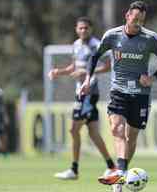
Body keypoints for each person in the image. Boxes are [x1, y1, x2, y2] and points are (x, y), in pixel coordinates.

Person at [79, 1, 157, 191]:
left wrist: (152, 78)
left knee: (131, 138)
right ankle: (120, 175)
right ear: (127, 16)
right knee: (116, 128)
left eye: (142, 20)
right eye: (135, 19)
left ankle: (121, 172)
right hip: (118, 91)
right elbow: (95, 57)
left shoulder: (150, 38)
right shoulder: (112, 36)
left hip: (140, 95)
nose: (138, 23)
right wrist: (87, 79)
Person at [48, 17, 116, 180]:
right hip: (80, 91)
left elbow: (108, 66)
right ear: (76, 29)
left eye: (86, 28)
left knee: (73, 129)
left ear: (91, 29)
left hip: (89, 92)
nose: (83, 30)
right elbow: (74, 67)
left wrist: (87, 73)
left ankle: (74, 169)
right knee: (93, 133)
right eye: (80, 28)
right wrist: (59, 71)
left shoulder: (96, 45)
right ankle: (111, 166)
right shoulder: (76, 45)